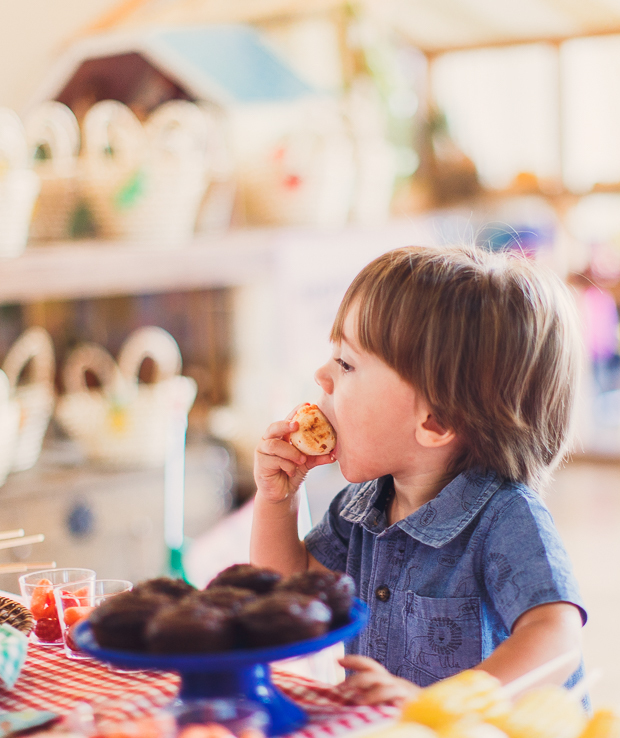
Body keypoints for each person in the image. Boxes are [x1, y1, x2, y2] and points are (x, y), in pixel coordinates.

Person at [249, 245, 587, 705]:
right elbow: (287, 596)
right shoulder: (362, 507)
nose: (322, 375)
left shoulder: (505, 519)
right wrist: (277, 501)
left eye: (347, 364)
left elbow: (557, 637)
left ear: (435, 423)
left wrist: (447, 706)